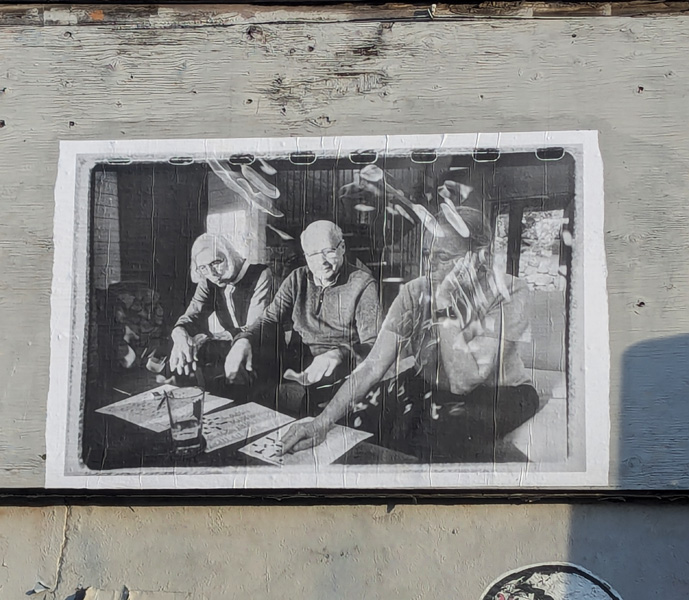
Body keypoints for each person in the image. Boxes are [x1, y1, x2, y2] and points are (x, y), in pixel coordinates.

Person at [280, 205, 540, 462]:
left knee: (433, 432)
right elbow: (373, 365)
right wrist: (322, 422)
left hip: (499, 393)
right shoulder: (415, 291)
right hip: (429, 384)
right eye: (427, 254)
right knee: (329, 404)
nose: (429, 265)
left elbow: (463, 381)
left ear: (479, 257)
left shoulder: (510, 290)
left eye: (442, 257)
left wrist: (444, 301)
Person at [224, 220, 382, 414]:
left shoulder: (363, 284)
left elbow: (374, 344)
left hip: (338, 375)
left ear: (342, 248)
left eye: (328, 251)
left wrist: (340, 353)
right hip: (295, 368)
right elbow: (269, 319)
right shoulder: (297, 278)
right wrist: (244, 340)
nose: (321, 261)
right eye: (313, 254)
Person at [168, 233, 273, 381]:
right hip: (229, 346)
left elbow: (254, 328)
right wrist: (180, 335)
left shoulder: (260, 274)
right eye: (203, 268)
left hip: (262, 348)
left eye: (216, 262)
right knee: (183, 354)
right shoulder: (208, 280)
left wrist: (209, 338)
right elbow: (192, 316)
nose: (212, 274)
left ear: (229, 256)